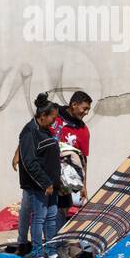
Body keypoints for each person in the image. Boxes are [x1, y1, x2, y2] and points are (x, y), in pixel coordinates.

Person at [17, 94, 66, 258]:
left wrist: (55, 183)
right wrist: (45, 182)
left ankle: (51, 251)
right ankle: (37, 255)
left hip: (51, 185)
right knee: (39, 218)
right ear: (43, 116)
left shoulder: (45, 130)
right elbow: (30, 162)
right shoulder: (30, 132)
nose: (55, 121)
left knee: (51, 218)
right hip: (38, 186)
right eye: (53, 117)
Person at [49, 91, 92, 240]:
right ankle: (27, 243)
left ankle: (57, 243)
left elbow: (83, 160)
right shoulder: (54, 116)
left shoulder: (83, 131)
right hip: (47, 173)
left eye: (88, 110)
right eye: (84, 108)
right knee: (41, 211)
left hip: (67, 179)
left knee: (63, 209)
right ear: (74, 105)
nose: (86, 113)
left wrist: (83, 185)